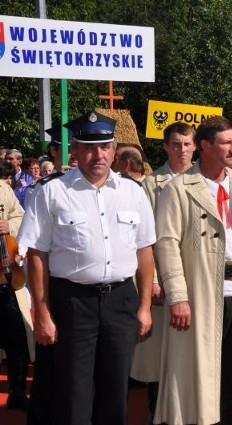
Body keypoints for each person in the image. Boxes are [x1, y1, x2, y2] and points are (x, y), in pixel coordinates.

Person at [17, 110, 156, 425]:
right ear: (75, 151)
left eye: (105, 146)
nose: (98, 154)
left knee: (115, 393)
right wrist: (42, 311)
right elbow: (36, 255)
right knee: (74, 395)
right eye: (89, 147)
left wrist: (145, 305)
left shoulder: (133, 193)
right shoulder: (51, 191)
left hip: (121, 301)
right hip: (73, 303)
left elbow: (145, 251)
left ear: (114, 149)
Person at [153, 116, 232, 425]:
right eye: (227, 142)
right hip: (201, 293)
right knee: (201, 372)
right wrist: (178, 296)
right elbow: (166, 244)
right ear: (205, 145)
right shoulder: (178, 188)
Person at [130, 121, 196, 424]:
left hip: (198, 281)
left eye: (186, 144)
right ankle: (159, 417)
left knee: (195, 359)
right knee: (161, 361)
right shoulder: (150, 184)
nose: (181, 150)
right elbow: (145, 240)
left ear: (195, 146)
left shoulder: (205, 181)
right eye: (175, 144)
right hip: (164, 284)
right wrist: (153, 281)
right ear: (166, 146)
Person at [0, 180, 34, 412]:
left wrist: (7, 225)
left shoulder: (3, 188)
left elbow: (21, 217)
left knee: (17, 337)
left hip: (6, 274)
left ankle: (17, 391)